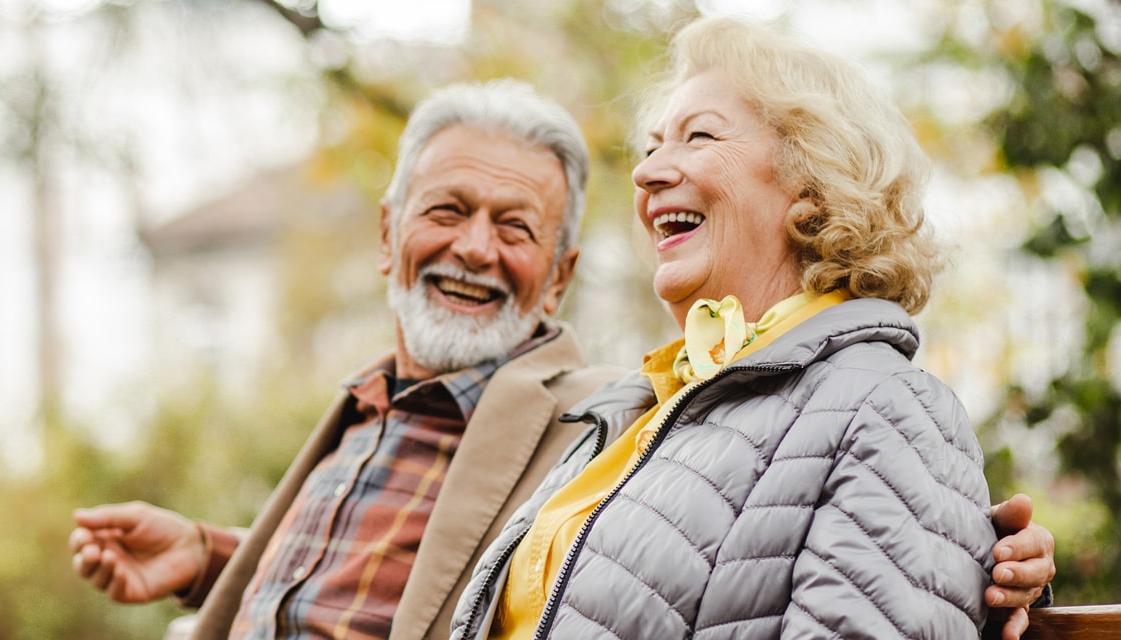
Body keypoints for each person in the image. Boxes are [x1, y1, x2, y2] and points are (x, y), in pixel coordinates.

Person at [72, 78, 1052, 640]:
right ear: (387, 234)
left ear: (561, 274)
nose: (474, 249)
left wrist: (995, 557)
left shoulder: (604, 419)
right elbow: (390, 571)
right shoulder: (364, 405)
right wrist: (211, 556)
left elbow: (835, 509)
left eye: (515, 227)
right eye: (447, 211)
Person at [447, 17, 1050, 640]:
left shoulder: (890, 405)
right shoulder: (644, 408)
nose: (646, 172)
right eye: (653, 146)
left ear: (811, 185)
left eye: (698, 136)